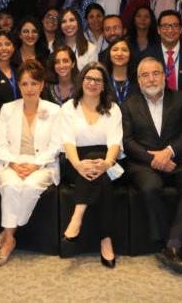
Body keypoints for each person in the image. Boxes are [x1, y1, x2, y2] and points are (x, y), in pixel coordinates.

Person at [123, 57, 182, 274]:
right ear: (138, 80)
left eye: (156, 73)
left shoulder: (180, 99)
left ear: (164, 76)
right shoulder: (129, 105)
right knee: (150, 187)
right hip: (144, 163)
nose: (151, 79)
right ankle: (169, 243)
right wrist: (153, 159)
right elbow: (127, 141)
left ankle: (172, 244)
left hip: (176, 160)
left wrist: (168, 152)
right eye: (145, 75)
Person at [0, 59, 61, 266]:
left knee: (29, 186)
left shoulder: (54, 110)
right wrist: (12, 163)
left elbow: (56, 145)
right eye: (24, 84)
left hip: (43, 164)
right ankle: (9, 241)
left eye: (34, 83)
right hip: (10, 162)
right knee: (11, 186)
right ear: (18, 85)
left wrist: (36, 164)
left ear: (42, 84)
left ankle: (7, 233)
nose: (29, 89)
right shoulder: (7, 109)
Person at [58, 63, 124, 268]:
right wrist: (78, 165)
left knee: (98, 164)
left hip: (107, 161)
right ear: (81, 81)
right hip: (74, 162)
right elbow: (68, 142)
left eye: (98, 80)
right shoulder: (68, 108)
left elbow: (115, 142)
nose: (92, 83)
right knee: (98, 173)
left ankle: (76, 218)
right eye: (88, 78)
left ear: (104, 85)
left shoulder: (113, 108)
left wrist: (107, 163)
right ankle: (106, 240)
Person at [143, 11, 182, 105]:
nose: (170, 30)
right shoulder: (146, 56)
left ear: (181, 29)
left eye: (174, 25)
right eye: (165, 26)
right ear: (158, 30)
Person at [100, 37, 139, 105]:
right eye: (115, 50)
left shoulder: (138, 79)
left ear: (130, 54)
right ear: (109, 53)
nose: (119, 54)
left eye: (124, 50)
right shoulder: (103, 79)